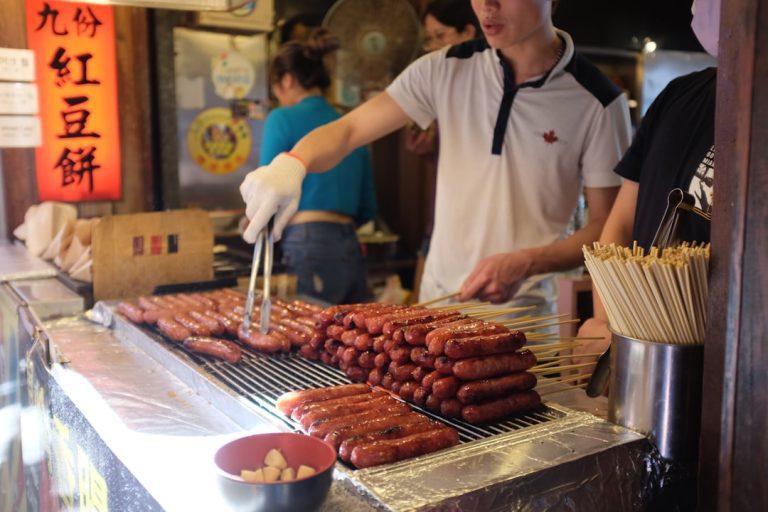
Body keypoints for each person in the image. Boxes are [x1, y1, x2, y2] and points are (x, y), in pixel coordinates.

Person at [240, 0, 632, 315]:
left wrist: (527, 262)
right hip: (439, 306)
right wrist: (293, 162)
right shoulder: (444, 68)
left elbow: (606, 228)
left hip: (523, 316)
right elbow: (350, 130)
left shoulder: (598, 100)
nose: (487, 7)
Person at [573, 0, 718, 367]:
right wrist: (605, 323)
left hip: (719, 372)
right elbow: (620, 225)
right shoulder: (676, 96)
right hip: (637, 353)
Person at [258, 29, 378, 304]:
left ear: (287, 80)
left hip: (308, 241)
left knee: (311, 339)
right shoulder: (350, 124)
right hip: (350, 243)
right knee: (348, 340)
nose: (277, 95)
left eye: (275, 87)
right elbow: (369, 206)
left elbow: (267, 189)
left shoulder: (281, 118)